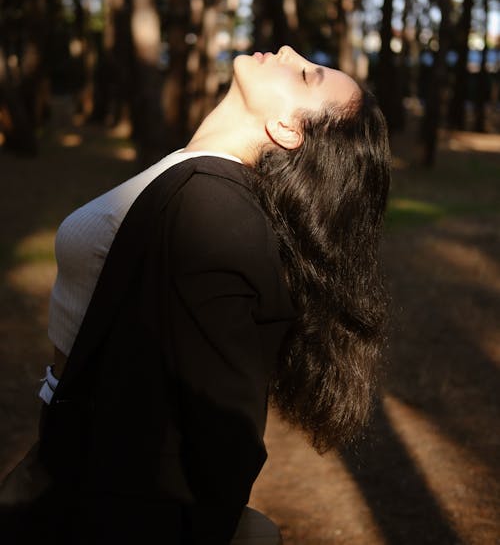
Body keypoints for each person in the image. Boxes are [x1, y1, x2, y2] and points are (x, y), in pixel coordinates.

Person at [0, 45, 391, 544]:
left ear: (288, 130)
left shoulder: (213, 206)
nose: (291, 51)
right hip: (69, 455)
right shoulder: (200, 176)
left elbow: (220, 438)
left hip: (103, 495)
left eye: (307, 76)